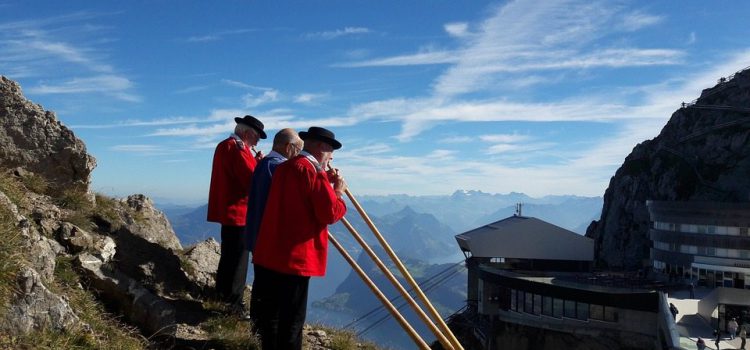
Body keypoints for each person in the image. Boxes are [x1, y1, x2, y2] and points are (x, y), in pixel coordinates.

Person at [252, 126, 347, 350]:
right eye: (331, 150)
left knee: (272, 317)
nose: (332, 156)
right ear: (321, 147)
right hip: (294, 260)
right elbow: (329, 213)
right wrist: (338, 192)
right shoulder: (312, 171)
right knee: (292, 321)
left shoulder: (284, 167)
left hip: (270, 254)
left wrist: (325, 179)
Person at [244, 128, 303, 323]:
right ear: (288, 147)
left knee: (262, 285)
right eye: (298, 149)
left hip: (258, 235)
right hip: (270, 239)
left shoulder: (264, 165)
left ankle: (257, 330)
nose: (299, 155)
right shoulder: (277, 168)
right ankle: (264, 332)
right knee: (271, 291)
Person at [207, 115, 266, 308]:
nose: (257, 141)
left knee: (229, 257)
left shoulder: (228, 145)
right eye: (257, 136)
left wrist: (254, 160)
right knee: (238, 261)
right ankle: (232, 304)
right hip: (239, 213)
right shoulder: (238, 148)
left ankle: (222, 296)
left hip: (230, 211)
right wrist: (260, 166)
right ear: (248, 133)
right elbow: (250, 180)